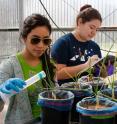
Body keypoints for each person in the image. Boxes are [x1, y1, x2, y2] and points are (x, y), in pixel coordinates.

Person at [0, 13, 56, 124]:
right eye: (35, 40)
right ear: (24, 38)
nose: (41, 45)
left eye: (46, 41)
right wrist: (2, 93)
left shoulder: (49, 64)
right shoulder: (9, 65)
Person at [51, 4, 102, 85]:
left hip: (91, 94)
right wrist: (85, 66)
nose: (94, 32)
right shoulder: (63, 43)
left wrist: (108, 68)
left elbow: (98, 74)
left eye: (97, 29)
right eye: (91, 27)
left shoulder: (95, 47)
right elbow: (57, 74)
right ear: (80, 22)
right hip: (68, 94)